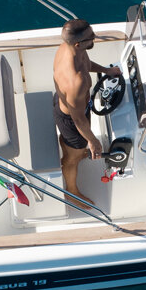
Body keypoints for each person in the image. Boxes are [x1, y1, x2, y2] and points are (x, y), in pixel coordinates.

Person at [52, 19, 121, 209]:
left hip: (76, 108)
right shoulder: (76, 81)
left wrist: (107, 71)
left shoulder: (70, 49)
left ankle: (74, 148)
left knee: (76, 146)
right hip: (72, 120)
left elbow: (86, 64)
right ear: (77, 43)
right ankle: (71, 192)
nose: (95, 38)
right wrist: (93, 141)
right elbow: (78, 119)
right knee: (71, 158)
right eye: (91, 37)